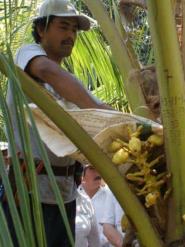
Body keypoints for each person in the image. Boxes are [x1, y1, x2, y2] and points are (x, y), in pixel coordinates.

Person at [5, 0, 110, 245]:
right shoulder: (28, 56)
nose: (71, 35)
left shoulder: (71, 85)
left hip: (65, 195)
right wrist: (97, 110)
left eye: (74, 30)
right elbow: (48, 71)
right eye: (64, 26)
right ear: (42, 29)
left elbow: (102, 112)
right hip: (30, 194)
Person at [78, 165, 123, 247]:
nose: (97, 172)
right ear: (81, 175)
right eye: (92, 169)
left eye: (98, 168)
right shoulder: (73, 198)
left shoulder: (111, 194)